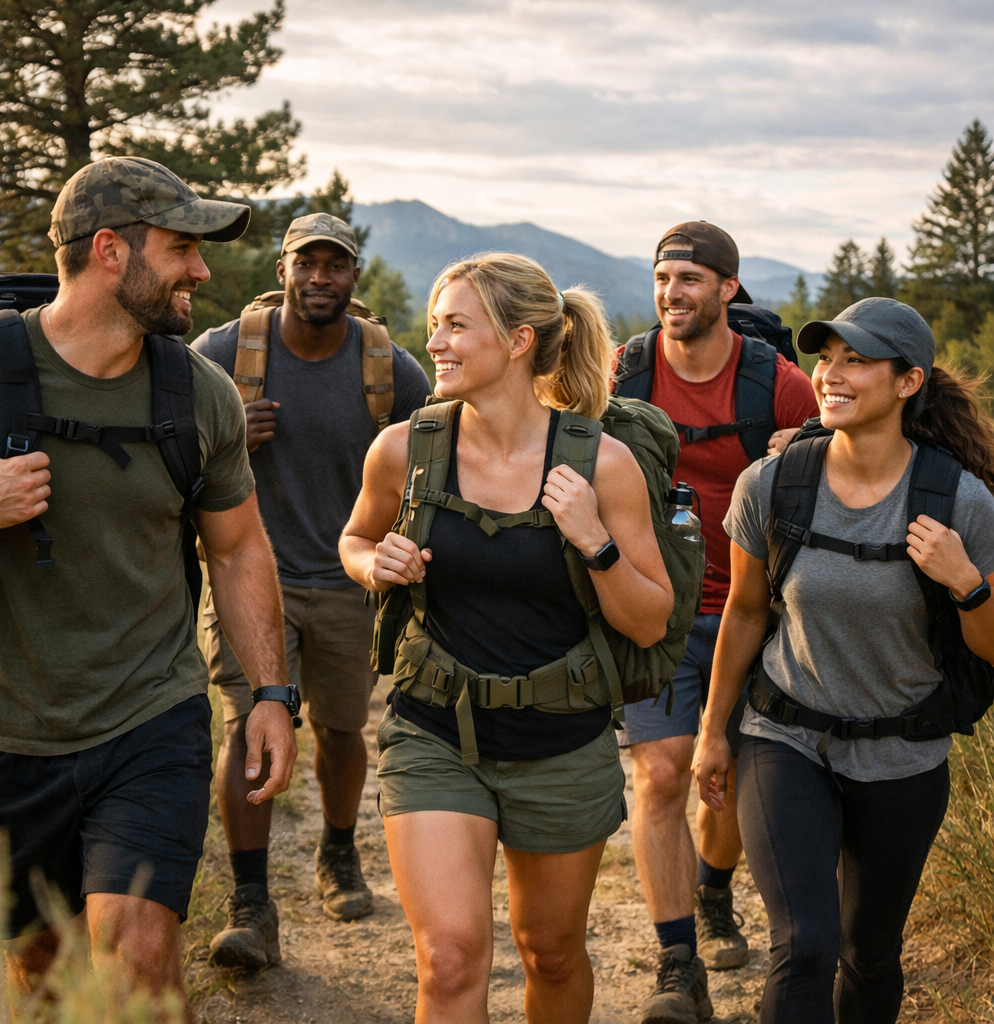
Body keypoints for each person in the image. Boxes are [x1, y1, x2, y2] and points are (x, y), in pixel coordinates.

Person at [0, 158, 298, 1016]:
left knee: (140, 965)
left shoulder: (201, 394)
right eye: (183, 247)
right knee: (44, 976)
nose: (200, 269)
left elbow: (236, 550)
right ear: (110, 251)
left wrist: (269, 691)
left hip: (150, 715)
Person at [339, 252, 674, 1023]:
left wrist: (595, 541)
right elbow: (354, 539)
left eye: (457, 326)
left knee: (549, 952)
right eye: (435, 326)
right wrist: (373, 561)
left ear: (520, 341)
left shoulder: (603, 465)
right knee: (451, 958)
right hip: (433, 731)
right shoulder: (404, 449)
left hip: (559, 742)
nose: (437, 344)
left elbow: (650, 619)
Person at [693, 297, 994, 1023]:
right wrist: (712, 732)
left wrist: (968, 584)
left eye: (856, 360)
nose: (831, 374)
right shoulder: (772, 485)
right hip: (784, 738)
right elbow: (745, 611)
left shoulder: (962, 502)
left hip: (904, 758)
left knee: (870, 953)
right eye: (826, 357)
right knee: (804, 944)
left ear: (908, 382)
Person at [192, 213, 430, 964]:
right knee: (248, 721)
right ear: (283, 268)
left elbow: (439, 466)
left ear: (354, 276)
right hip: (249, 571)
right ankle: (251, 901)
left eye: (336, 265)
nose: (321, 278)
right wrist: (226, 431)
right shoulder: (225, 355)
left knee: (337, 729)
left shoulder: (391, 368)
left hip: (349, 581)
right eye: (308, 264)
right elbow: (169, 454)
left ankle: (337, 850)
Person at [614, 222, 818, 1022]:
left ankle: (713, 888)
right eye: (663, 277)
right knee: (660, 770)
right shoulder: (627, 372)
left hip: (754, 611)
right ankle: (676, 962)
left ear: (728, 290)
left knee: (722, 778)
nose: (673, 293)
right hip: (656, 609)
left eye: (691, 279)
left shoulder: (780, 383)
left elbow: (847, 464)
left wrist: (803, 449)